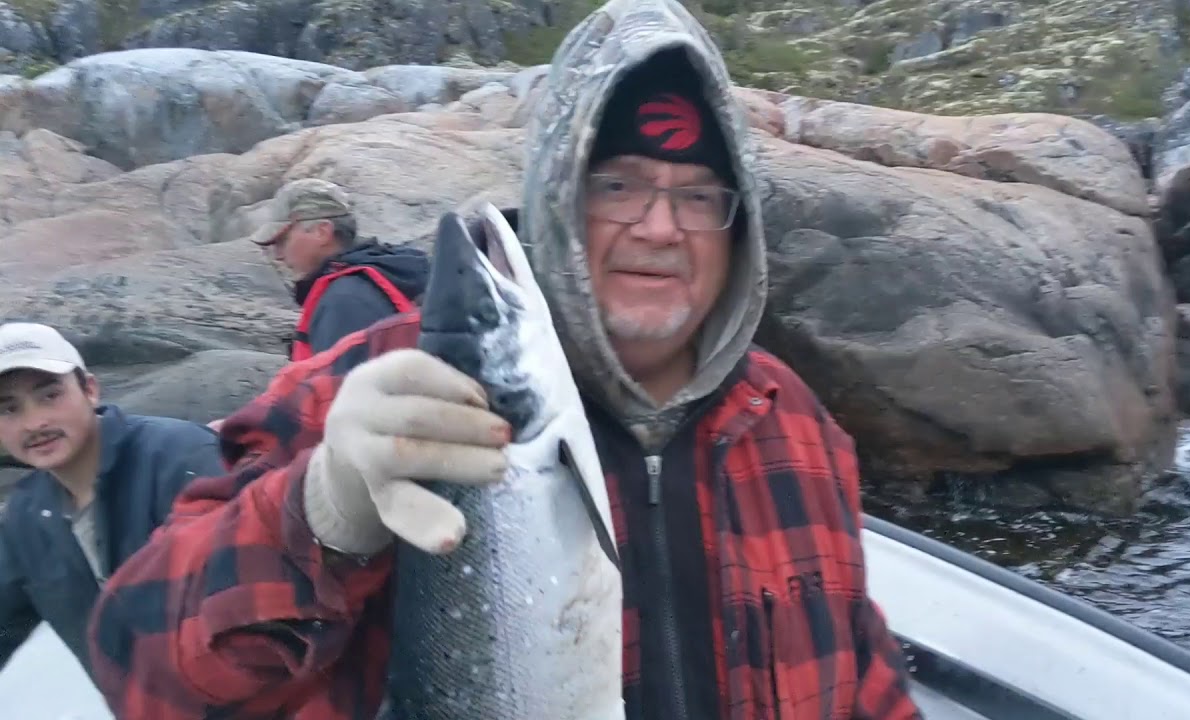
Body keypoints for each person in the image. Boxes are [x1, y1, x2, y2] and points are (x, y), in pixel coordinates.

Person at [86, 1, 923, 718]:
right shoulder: (370, 391)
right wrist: (319, 514)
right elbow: (142, 671)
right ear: (558, 199)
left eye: (697, 196)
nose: (661, 229)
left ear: (737, 225)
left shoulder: (798, 423)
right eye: (619, 186)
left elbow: (859, 669)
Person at [0, 322, 226, 677]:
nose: (34, 422)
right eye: (9, 409)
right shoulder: (26, 516)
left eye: (49, 395)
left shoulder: (181, 459)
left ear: (90, 389)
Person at [251, 177, 430, 362]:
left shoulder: (344, 301)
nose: (278, 255)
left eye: (282, 241)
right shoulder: (391, 273)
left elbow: (343, 387)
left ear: (321, 232)